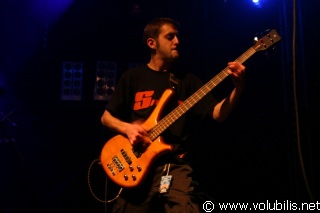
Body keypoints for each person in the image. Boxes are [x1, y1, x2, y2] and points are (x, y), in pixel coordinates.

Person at [100, 17, 246, 213]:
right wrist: (129, 128)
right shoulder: (133, 77)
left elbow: (218, 114)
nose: (177, 41)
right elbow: (106, 118)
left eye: (177, 36)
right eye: (170, 37)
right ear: (152, 43)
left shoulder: (187, 80)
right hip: (135, 162)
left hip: (174, 164)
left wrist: (238, 88)